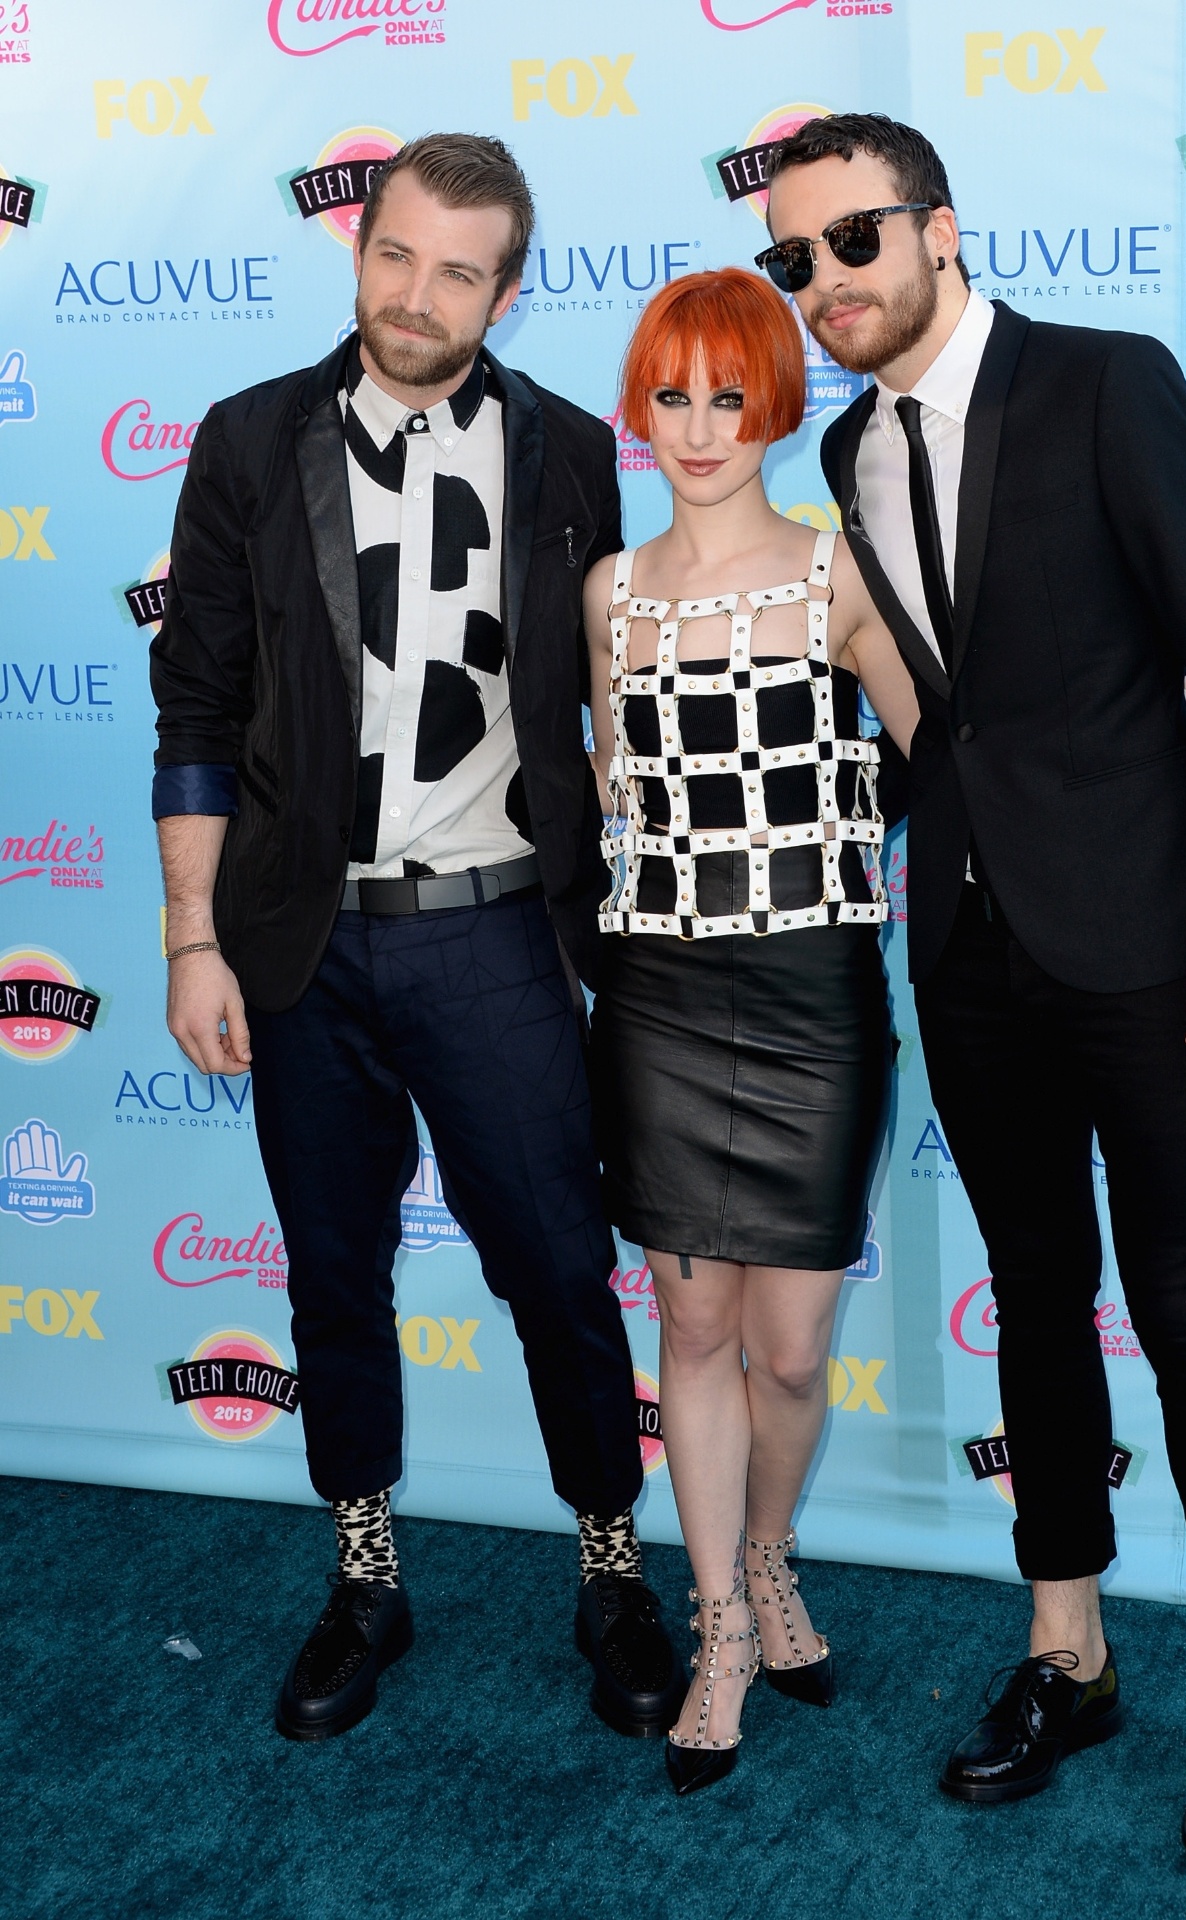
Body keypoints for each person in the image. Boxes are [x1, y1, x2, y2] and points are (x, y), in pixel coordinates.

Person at [763, 114, 1186, 1861]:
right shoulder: (848, 449)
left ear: (935, 227)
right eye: (794, 263)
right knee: (1030, 1298)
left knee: (1185, 1313)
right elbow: (934, 719)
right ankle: (1063, 1652)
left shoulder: (1103, 382)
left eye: (852, 242)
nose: (824, 283)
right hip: (976, 952)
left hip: (1155, 949)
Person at [150, 133, 683, 1745]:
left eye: (460, 270)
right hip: (300, 947)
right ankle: (364, 1575)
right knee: (331, 1274)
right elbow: (197, 708)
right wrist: (191, 935)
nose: (417, 292)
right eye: (396, 254)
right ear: (356, 249)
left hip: (501, 934)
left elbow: (620, 702)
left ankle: (609, 1566)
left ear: (505, 292)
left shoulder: (575, 452)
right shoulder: (249, 443)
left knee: (560, 1277)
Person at [582, 267, 918, 1795]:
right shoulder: (611, 591)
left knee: (788, 1351)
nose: (700, 428)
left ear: (775, 403)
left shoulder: (838, 572)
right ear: (637, 405)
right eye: (673, 395)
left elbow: (936, 759)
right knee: (695, 1331)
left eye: (731, 394)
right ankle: (719, 1618)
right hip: (657, 991)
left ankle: (772, 1556)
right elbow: (613, 797)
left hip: (812, 991)